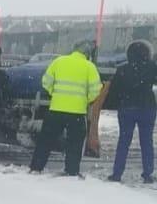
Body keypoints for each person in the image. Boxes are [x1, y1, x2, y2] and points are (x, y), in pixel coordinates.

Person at [29, 39, 103, 176]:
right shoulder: (89, 67)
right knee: (74, 143)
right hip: (77, 112)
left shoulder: (59, 61)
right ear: (87, 54)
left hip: (56, 109)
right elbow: (96, 89)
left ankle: (36, 167)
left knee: (46, 140)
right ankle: (71, 170)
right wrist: (86, 100)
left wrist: (54, 93)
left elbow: (46, 81)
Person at [107, 40, 157, 183]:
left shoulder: (122, 69)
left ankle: (117, 173)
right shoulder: (152, 67)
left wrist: (117, 104)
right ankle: (148, 173)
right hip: (147, 108)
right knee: (146, 141)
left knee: (123, 141)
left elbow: (114, 91)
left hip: (127, 108)